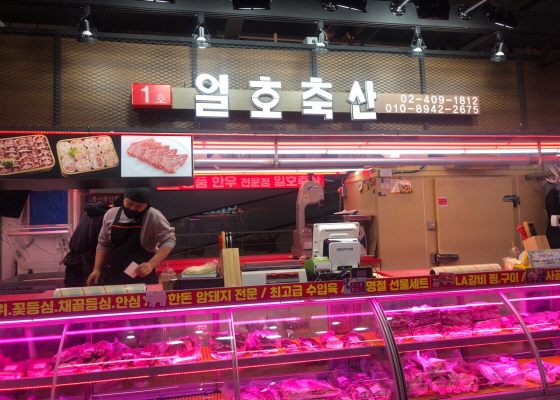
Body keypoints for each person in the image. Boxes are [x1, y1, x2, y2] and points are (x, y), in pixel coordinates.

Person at [86, 187, 176, 286]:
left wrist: (151, 264)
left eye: (139, 206)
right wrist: (96, 269)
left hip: (141, 275)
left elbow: (169, 240)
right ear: (123, 199)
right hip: (113, 274)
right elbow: (103, 243)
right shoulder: (111, 214)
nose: (133, 208)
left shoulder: (153, 215)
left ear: (147, 205)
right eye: (129, 203)